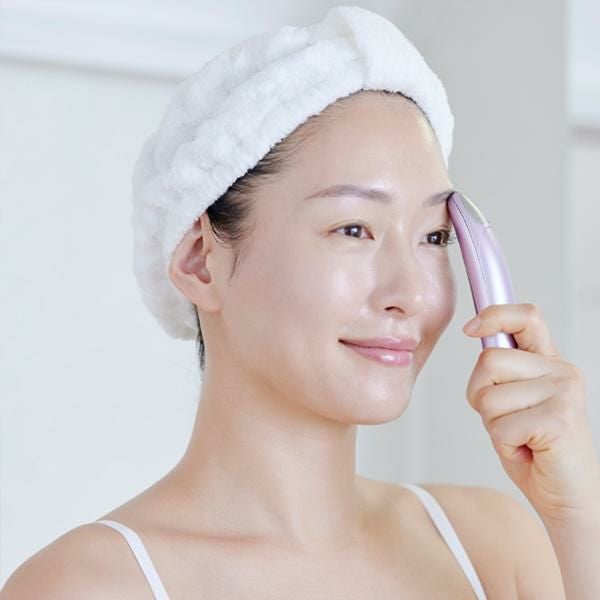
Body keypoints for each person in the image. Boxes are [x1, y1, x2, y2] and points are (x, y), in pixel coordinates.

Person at [5, 6, 597, 599]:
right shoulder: (88, 586)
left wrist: (580, 512)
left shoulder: (494, 548)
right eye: (353, 229)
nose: (412, 293)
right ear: (200, 261)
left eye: (434, 237)